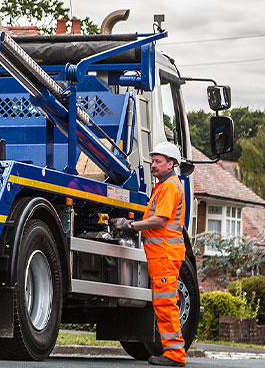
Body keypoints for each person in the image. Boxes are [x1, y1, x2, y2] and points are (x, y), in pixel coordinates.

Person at [110, 141, 188, 366]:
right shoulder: (165, 185)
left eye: (158, 161)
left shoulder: (170, 187)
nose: (153, 165)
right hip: (162, 254)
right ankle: (173, 352)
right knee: (164, 302)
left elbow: (159, 220)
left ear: (171, 163)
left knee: (165, 303)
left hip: (164, 254)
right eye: (152, 161)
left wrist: (130, 225)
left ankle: (174, 354)